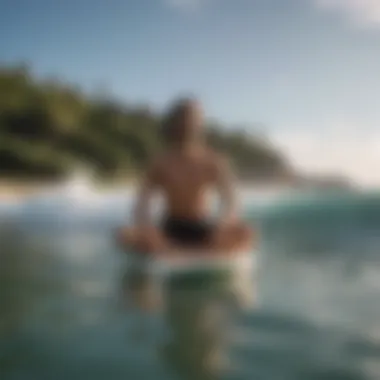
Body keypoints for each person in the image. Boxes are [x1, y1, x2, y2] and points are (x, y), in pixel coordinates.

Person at [117, 97, 253, 257]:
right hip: (171, 226)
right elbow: (142, 202)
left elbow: (231, 199)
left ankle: (191, 251)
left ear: (200, 124)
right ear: (175, 123)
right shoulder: (161, 162)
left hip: (202, 226)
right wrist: (146, 227)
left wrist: (225, 223)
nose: (188, 125)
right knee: (125, 235)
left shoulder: (213, 161)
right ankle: (174, 249)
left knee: (245, 233)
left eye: (193, 120)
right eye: (184, 120)